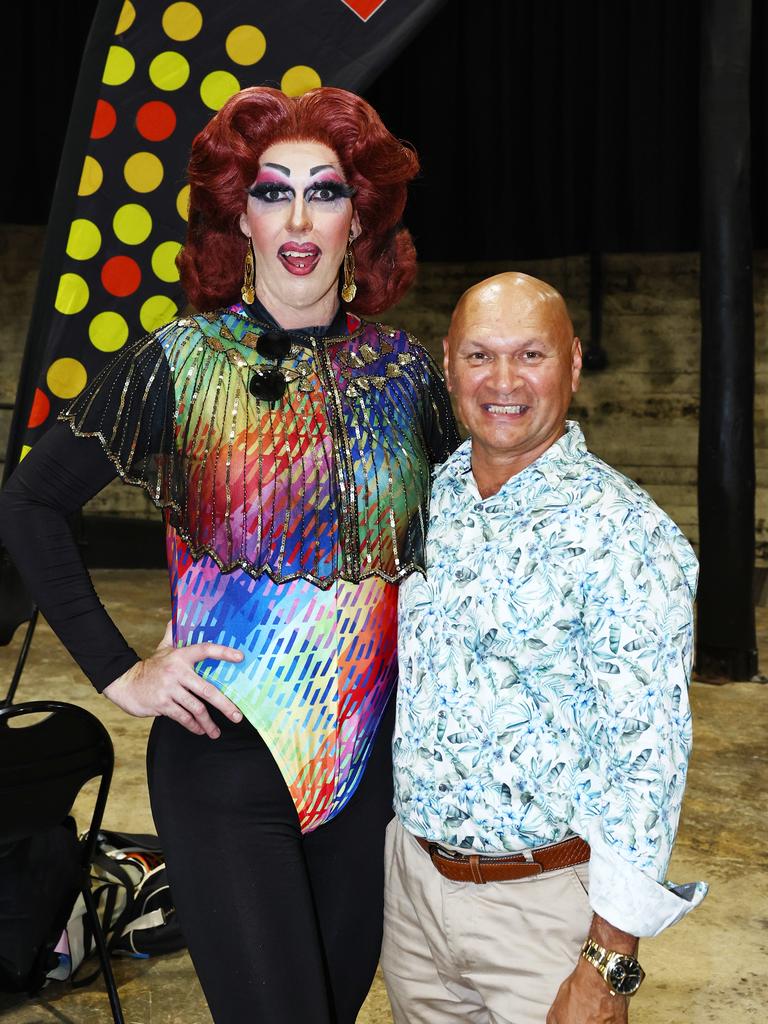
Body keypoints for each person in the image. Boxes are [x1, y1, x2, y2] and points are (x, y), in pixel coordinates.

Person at [0, 87, 459, 1023]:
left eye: (325, 192)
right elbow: (31, 501)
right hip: (224, 752)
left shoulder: (407, 375)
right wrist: (117, 668)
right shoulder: (178, 360)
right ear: (237, 216)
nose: (297, 218)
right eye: (271, 191)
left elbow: (457, 543)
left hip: (371, 765)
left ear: (358, 218)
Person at [381, 272, 707, 1024]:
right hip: (413, 896)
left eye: (531, 354)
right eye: (478, 356)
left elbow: (646, 760)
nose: (502, 381)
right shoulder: (426, 500)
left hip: (545, 916)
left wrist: (608, 962)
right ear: (447, 364)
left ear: (575, 363)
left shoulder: (627, 537)